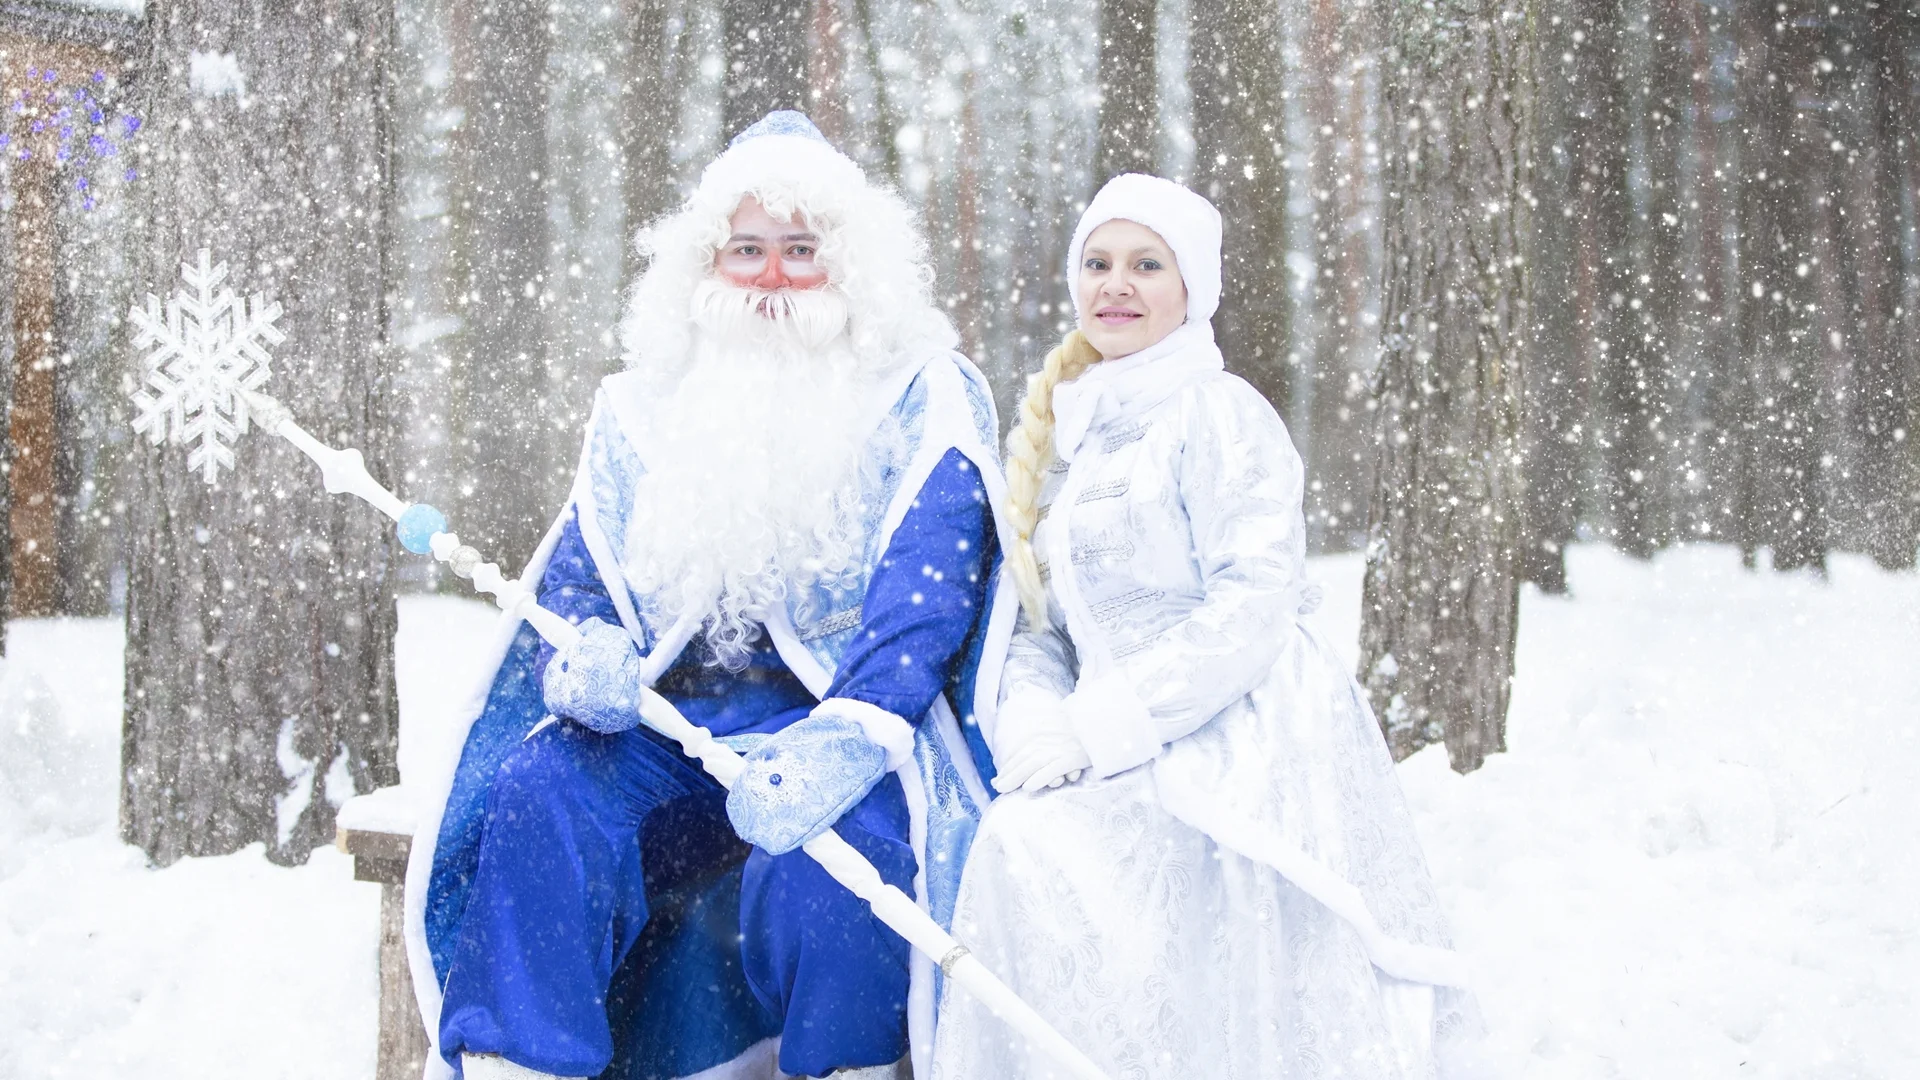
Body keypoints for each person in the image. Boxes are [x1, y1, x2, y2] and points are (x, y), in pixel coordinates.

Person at [404, 112, 1017, 1080]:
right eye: (748, 250)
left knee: (847, 865)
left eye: (800, 250)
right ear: (706, 266)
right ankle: (520, 1064)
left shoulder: (922, 395)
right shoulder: (643, 407)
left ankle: (838, 1066)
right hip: (667, 732)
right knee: (542, 794)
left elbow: (926, 604)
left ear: (850, 266)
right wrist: (586, 653)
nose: (772, 277)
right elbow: (582, 578)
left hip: (838, 730)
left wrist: (842, 741)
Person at [931, 174, 1479, 1079]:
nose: (1117, 284)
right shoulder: (1085, 438)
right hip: (1121, 738)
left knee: (1147, 898)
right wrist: (1038, 718)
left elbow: (1254, 600)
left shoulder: (1218, 412)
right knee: (1017, 848)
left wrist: (1106, 724)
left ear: (1192, 289)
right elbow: (1047, 628)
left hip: (1239, 731)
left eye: (1147, 264)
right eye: (1099, 263)